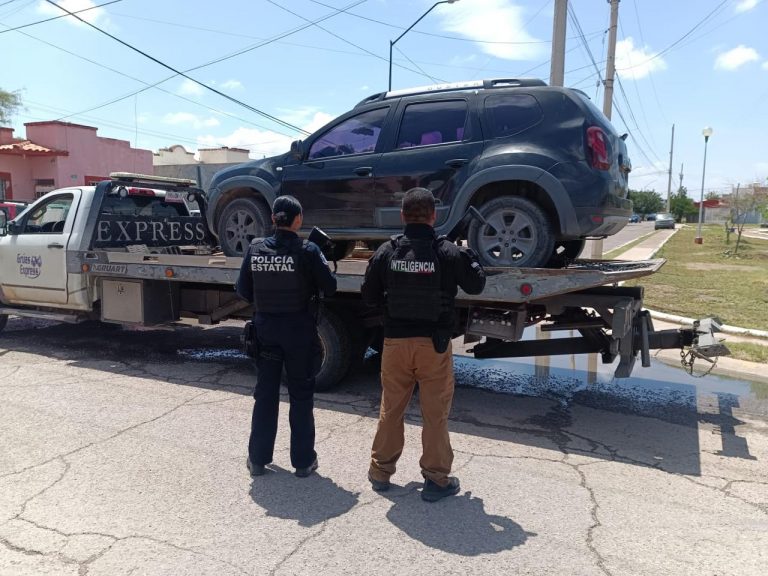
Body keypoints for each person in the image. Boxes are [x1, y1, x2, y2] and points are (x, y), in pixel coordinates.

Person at [362, 187, 486, 502]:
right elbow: (476, 283)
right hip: (434, 346)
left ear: (403, 216)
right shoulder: (446, 251)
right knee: (434, 415)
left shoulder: (387, 252)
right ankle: (436, 480)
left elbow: (368, 296)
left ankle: (380, 472)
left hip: (395, 345)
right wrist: (466, 252)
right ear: (433, 216)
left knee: (391, 410)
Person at [236, 195, 337, 478]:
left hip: (266, 333)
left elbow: (243, 290)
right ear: (299, 219)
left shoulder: (255, 248)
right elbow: (330, 288)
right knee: (301, 397)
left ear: (272, 219)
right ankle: (303, 463)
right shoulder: (308, 250)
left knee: (265, 396)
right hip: (299, 335)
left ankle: (257, 460)